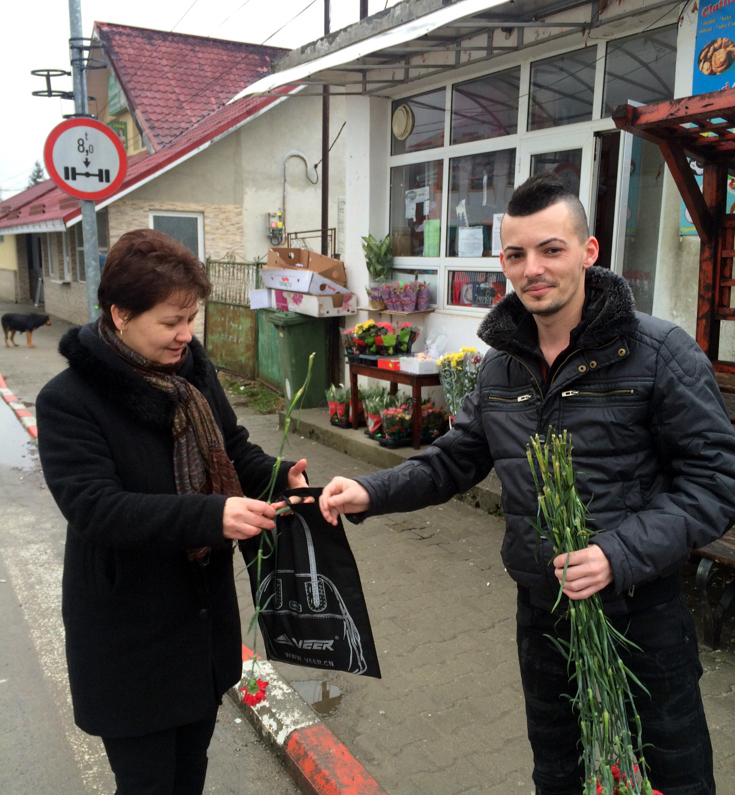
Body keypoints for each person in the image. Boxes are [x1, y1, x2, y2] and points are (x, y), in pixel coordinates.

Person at [319, 173, 735, 795]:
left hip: (640, 614)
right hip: (543, 615)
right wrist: (371, 492)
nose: (532, 269)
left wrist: (616, 556)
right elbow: (455, 458)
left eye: (551, 249)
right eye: (516, 254)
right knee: (559, 775)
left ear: (588, 253)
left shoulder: (658, 352)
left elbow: (714, 483)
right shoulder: (501, 364)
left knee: (672, 776)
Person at [36, 228, 308, 795]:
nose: (186, 335)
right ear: (119, 314)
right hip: (128, 636)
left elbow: (232, 447)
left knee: (190, 775)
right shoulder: (69, 400)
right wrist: (212, 515)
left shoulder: (193, 373)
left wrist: (283, 476)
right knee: (146, 784)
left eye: (192, 319)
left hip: (198, 625)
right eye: (170, 322)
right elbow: (96, 508)